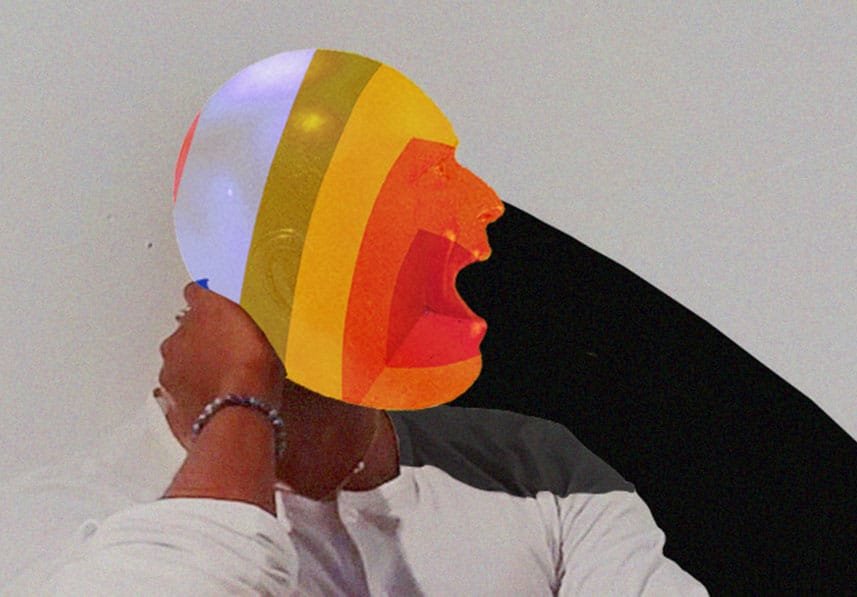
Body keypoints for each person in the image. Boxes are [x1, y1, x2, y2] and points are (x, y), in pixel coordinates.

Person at [1, 49, 708, 595]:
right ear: (288, 272)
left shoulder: (539, 474)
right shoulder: (63, 523)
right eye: (427, 183)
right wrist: (243, 395)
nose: (480, 224)